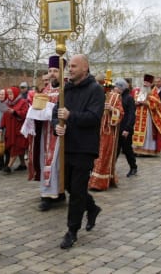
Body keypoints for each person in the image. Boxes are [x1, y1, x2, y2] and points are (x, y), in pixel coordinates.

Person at [53, 54, 104, 249]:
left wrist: (70, 116)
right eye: (69, 67)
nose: (70, 69)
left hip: (85, 147)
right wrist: (57, 125)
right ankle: (91, 208)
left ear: (85, 68)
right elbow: (55, 113)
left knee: (76, 191)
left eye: (74, 66)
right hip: (67, 145)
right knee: (69, 186)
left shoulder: (96, 90)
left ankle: (71, 231)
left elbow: (93, 117)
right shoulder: (66, 90)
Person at [24, 55, 65, 211]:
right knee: (45, 161)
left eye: (55, 70)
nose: (52, 73)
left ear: (62, 72)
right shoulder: (45, 90)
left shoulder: (65, 89)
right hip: (45, 132)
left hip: (59, 133)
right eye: (50, 70)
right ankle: (47, 194)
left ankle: (58, 192)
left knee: (56, 163)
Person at [88, 76, 123, 191]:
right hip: (93, 130)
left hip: (107, 131)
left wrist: (112, 108)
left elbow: (121, 113)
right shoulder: (92, 95)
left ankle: (99, 182)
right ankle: (91, 180)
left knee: (103, 156)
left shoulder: (115, 96)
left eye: (101, 84)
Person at [133, 74, 161, 156]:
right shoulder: (138, 91)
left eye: (147, 83)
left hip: (147, 116)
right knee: (136, 132)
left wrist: (147, 103)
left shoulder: (153, 92)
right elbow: (134, 100)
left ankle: (146, 150)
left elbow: (157, 105)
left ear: (151, 84)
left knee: (147, 133)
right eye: (144, 82)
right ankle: (137, 150)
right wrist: (136, 103)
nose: (145, 84)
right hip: (138, 114)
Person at [0, 86, 29, 173]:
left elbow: (25, 113)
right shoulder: (7, 103)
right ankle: (23, 164)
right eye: (8, 94)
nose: (10, 95)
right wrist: (2, 127)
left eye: (11, 93)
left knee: (16, 148)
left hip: (18, 130)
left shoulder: (23, 102)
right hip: (10, 130)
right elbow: (4, 116)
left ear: (16, 93)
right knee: (19, 149)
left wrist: (15, 112)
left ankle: (8, 166)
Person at [113, 78, 137, 177]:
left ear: (121, 88)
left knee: (127, 149)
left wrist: (127, 129)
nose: (114, 89)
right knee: (116, 149)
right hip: (117, 128)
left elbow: (132, 115)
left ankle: (133, 167)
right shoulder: (116, 97)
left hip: (125, 128)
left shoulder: (129, 98)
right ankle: (111, 167)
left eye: (116, 87)